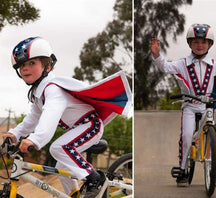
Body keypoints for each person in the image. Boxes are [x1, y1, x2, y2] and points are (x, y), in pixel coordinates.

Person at [3, 37, 132, 198]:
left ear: (47, 66)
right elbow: (32, 119)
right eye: (21, 65)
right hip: (79, 128)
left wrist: (35, 140)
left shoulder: (53, 90)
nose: (25, 68)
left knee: (58, 148)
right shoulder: (38, 95)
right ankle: (74, 194)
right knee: (61, 164)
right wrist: (14, 134)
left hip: (90, 125)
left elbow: (48, 119)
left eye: (31, 63)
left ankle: (95, 180)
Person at [150, 23, 216, 187]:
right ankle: (183, 170)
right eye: (196, 42)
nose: (200, 45)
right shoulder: (182, 63)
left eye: (204, 42)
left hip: (207, 106)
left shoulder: (214, 65)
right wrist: (157, 55)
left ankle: (213, 168)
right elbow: (166, 67)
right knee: (186, 137)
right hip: (190, 106)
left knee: (214, 135)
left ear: (209, 45)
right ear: (190, 44)